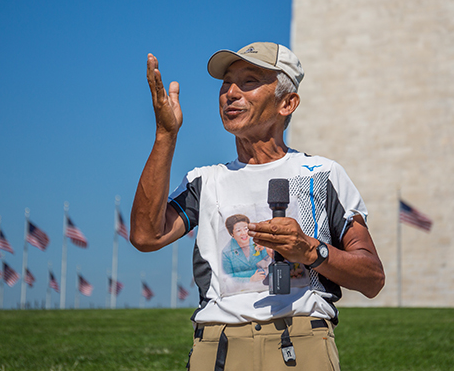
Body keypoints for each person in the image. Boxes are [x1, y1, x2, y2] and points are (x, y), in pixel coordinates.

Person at [131, 42, 385, 371]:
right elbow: (145, 236)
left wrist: (310, 251)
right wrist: (166, 134)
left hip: (304, 341)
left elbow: (372, 278)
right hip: (218, 346)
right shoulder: (204, 180)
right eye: (226, 84)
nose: (230, 93)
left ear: (287, 102)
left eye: (248, 81)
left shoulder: (324, 174)